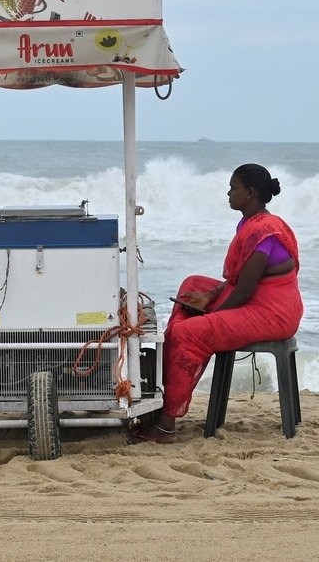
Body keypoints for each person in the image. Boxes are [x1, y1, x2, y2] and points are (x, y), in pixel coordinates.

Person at [131, 164, 303, 443]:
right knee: (193, 285)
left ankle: (166, 424)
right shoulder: (250, 223)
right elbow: (238, 279)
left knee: (189, 331)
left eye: (234, 187)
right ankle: (170, 383)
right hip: (256, 299)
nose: (229, 192)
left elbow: (244, 289)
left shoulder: (264, 232)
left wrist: (209, 315)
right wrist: (210, 296)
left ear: (249, 193)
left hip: (272, 312)